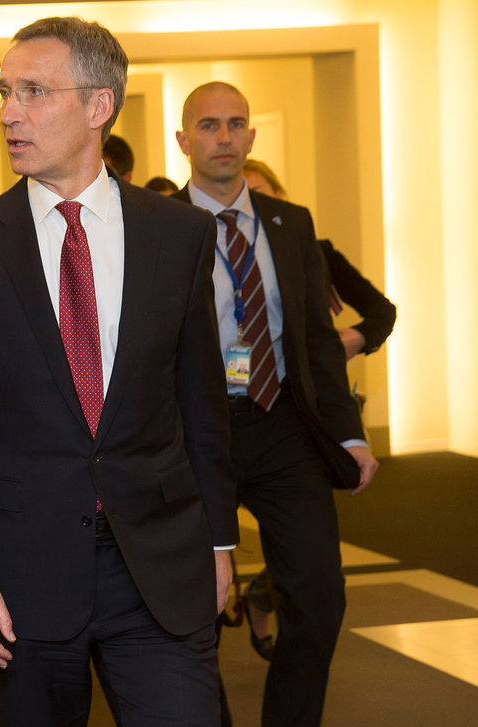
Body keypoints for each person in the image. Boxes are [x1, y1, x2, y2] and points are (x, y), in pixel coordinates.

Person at [0, 17, 236, 725]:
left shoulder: (179, 232)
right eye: (4, 91)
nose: (9, 112)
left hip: (159, 566)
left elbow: (199, 401)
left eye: (33, 91)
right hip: (18, 579)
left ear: (98, 105)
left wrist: (219, 540)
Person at [172, 81, 378, 726]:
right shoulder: (158, 226)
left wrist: (349, 434)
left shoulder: (291, 224)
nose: (224, 137)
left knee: (319, 598)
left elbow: (316, 338)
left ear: (252, 137)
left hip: (283, 424)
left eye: (236, 124)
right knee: (194, 608)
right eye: (209, 125)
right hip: (194, 433)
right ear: (183, 141)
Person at [243, 159, 397, 360]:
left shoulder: (318, 253)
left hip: (314, 374)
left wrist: (359, 337)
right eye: (243, 199)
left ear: (279, 196)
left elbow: (382, 310)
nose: (253, 206)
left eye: (258, 194)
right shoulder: (222, 258)